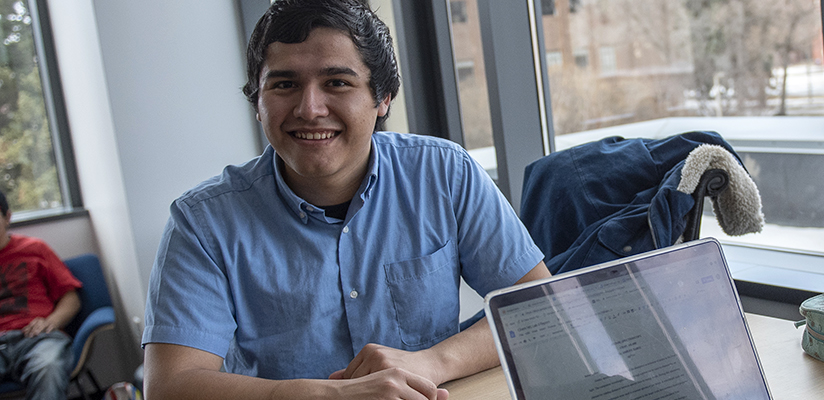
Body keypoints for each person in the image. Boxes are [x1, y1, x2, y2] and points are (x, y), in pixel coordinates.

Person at [141, 1, 550, 399]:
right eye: (284, 85)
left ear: (383, 98)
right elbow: (171, 387)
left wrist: (432, 361)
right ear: (257, 103)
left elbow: (539, 307)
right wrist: (332, 395)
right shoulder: (201, 223)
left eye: (337, 82)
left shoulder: (444, 172)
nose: (310, 108)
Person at [0, 189, 83, 400]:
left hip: (36, 338)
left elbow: (71, 298)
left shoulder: (35, 249)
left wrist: (51, 321)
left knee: (48, 365)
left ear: (7, 217)